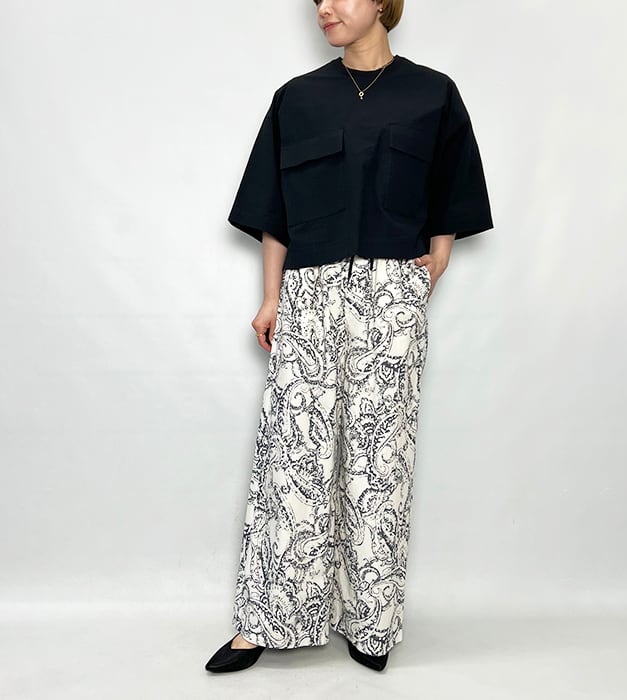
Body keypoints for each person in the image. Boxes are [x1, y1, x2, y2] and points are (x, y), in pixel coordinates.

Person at [205, 0, 493, 674]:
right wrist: (271, 296)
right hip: (308, 291)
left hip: (391, 294)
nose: (324, 8)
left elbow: (452, 188)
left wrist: (438, 259)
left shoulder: (433, 95)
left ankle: (371, 620)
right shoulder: (297, 99)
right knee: (292, 458)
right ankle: (264, 621)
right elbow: (275, 210)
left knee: (379, 459)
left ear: (384, 3)